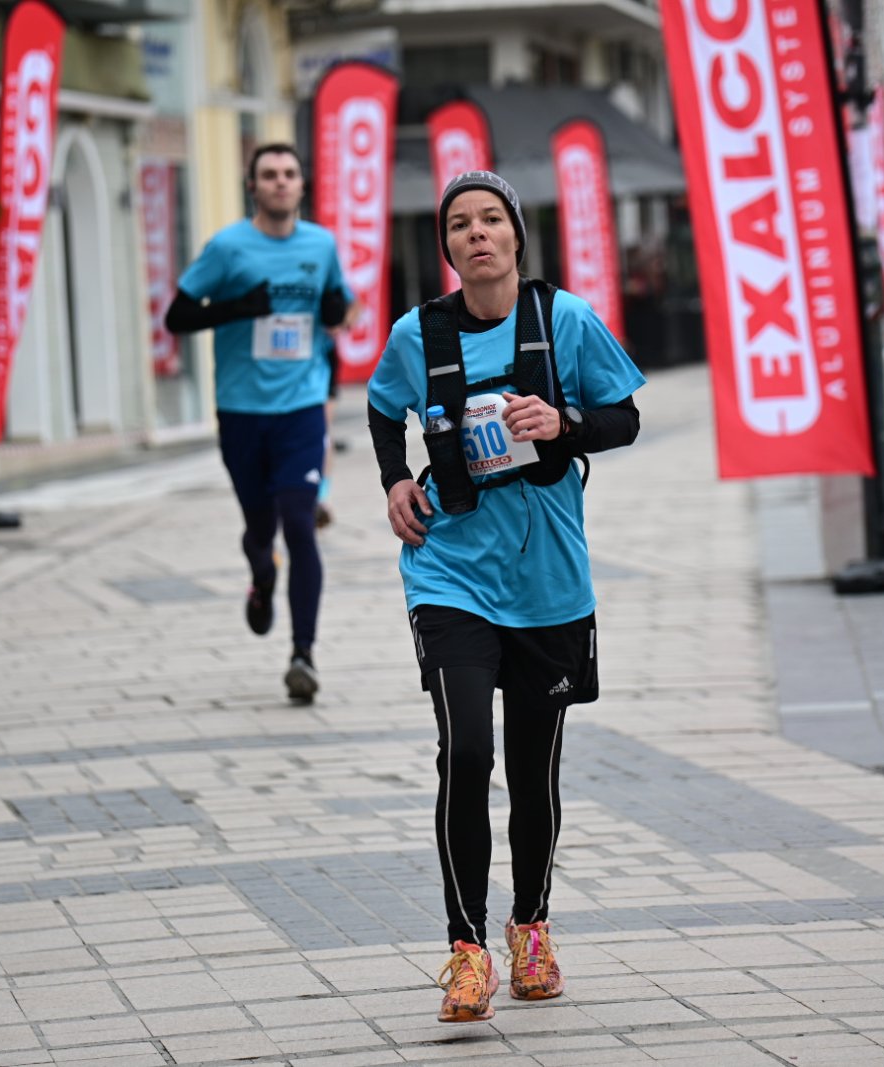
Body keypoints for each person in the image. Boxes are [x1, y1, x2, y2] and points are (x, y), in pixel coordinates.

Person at [366, 171, 644, 1023]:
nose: (477, 233)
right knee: (465, 751)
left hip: (548, 582)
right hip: (449, 570)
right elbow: (382, 408)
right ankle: (465, 949)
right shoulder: (418, 334)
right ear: (446, 245)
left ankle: (530, 927)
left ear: (517, 235)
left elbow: (625, 418)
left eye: (492, 219)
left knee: (532, 767)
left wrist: (565, 424)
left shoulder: (564, 321)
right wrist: (394, 479)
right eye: (460, 223)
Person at [164, 143, 354, 703]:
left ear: (302, 185)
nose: (280, 182)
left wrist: (337, 309)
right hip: (242, 410)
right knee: (259, 527)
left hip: (301, 407)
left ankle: (303, 654)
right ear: (253, 186)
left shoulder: (321, 244)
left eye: (289, 174)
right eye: (269, 175)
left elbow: (337, 303)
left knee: (300, 523)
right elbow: (177, 316)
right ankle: (262, 576)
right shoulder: (227, 248)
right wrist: (238, 308)